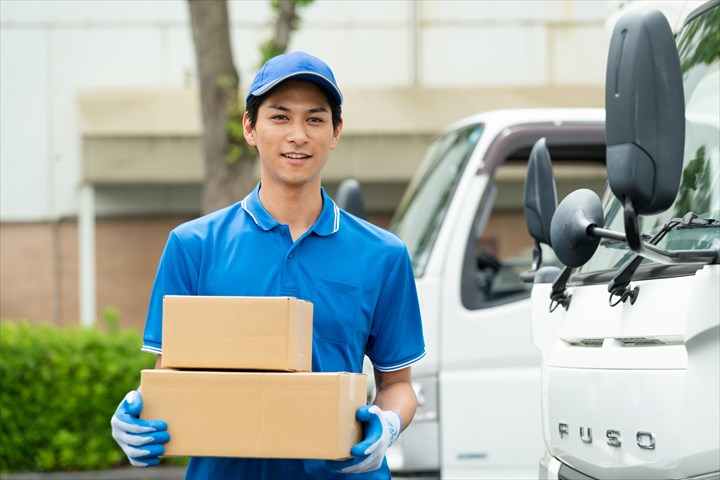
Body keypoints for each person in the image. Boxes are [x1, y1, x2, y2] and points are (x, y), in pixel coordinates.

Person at [110, 51, 425, 479]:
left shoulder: (383, 255)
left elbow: (397, 384)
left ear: (336, 132)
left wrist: (387, 427)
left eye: (315, 119)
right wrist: (139, 420)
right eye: (280, 117)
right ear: (250, 128)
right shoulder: (193, 246)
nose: (298, 135)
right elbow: (174, 377)